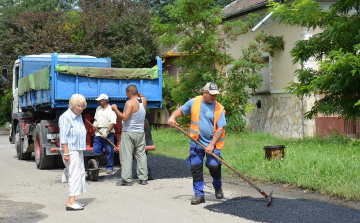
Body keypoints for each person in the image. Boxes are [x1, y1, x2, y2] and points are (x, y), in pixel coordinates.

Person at [168, 82, 226, 205]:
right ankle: (199, 195)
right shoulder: (195, 102)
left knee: (214, 166)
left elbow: (220, 129)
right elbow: (181, 111)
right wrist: (172, 118)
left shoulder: (219, 108)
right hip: (196, 142)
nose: (214, 97)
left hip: (213, 144)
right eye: (212, 95)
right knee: (196, 168)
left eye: (216, 95)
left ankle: (217, 186)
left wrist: (211, 145)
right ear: (205, 93)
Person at [111, 85, 148, 186]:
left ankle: (127, 180)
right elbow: (141, 95)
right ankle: (143, 178)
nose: (126, 95)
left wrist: (115, 109)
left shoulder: (129, 102)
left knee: (126, 156)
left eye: (126, 92)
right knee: (141, 155)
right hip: (140, 132)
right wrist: (136, 92)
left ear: (129, 92)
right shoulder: (143, 100)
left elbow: (124, 118)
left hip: (129, 132)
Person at [59, 94, 87, 211]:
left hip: (78, 149)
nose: (80, 108)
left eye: (82, 106)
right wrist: (66, 152)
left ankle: (73, 200)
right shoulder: (66, 117)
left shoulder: (78, 116)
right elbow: (63, 136)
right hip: (70, 150)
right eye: (78, 106)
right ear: (72, 105)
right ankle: (70, 202)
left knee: (79, 173)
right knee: (74, 175)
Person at [93, 94, 117, 174]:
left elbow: (113, 123)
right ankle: (95, 166)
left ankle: (109, 167)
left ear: (105, 100)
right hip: (98, 133)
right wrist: (95, 123)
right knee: (96, 151)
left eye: (100, 101)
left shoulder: (111, 110)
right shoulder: (98, 109)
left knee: (109, 151)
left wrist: (107, 132)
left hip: (108, 133)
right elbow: (96, 118)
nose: (98, 102)